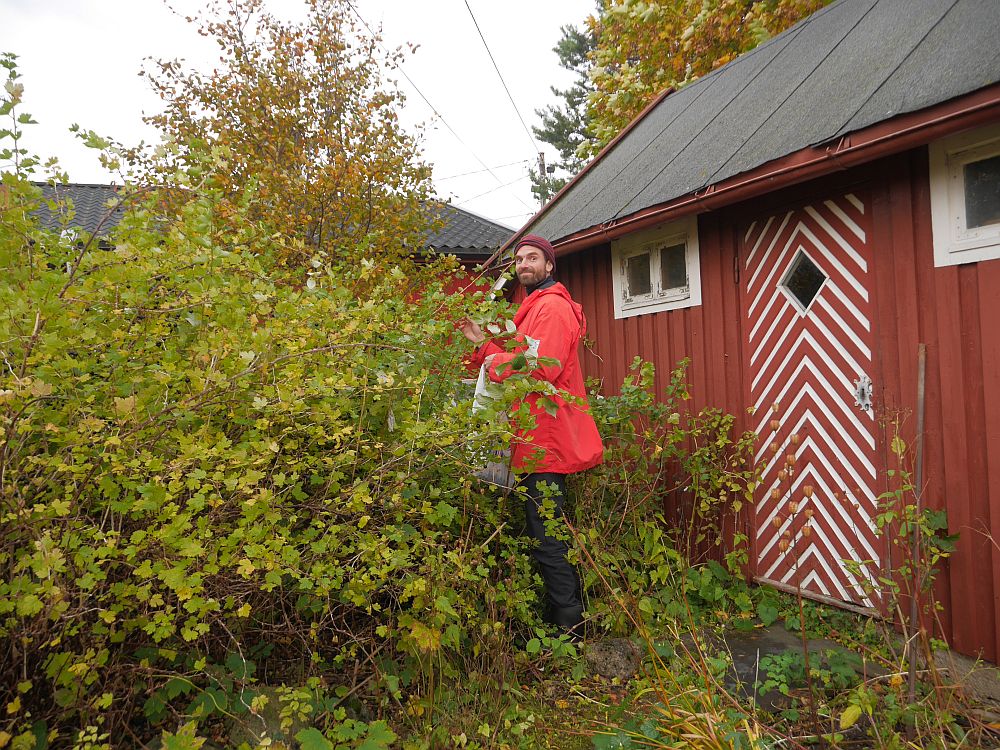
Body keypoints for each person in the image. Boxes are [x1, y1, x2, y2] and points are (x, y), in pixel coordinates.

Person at [460, 234, 604, 636]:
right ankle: (567, 619)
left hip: (548, 441)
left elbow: (542, 367)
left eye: (533, 258)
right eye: (519, 259)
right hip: (535, 438)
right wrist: (483, 344)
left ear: (549, 265)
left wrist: (491, 356)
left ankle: (569, 628)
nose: (524, 264)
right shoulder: (533, 307)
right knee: (545, 531)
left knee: (547, 535)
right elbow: (522, 359)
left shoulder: (552, 308)